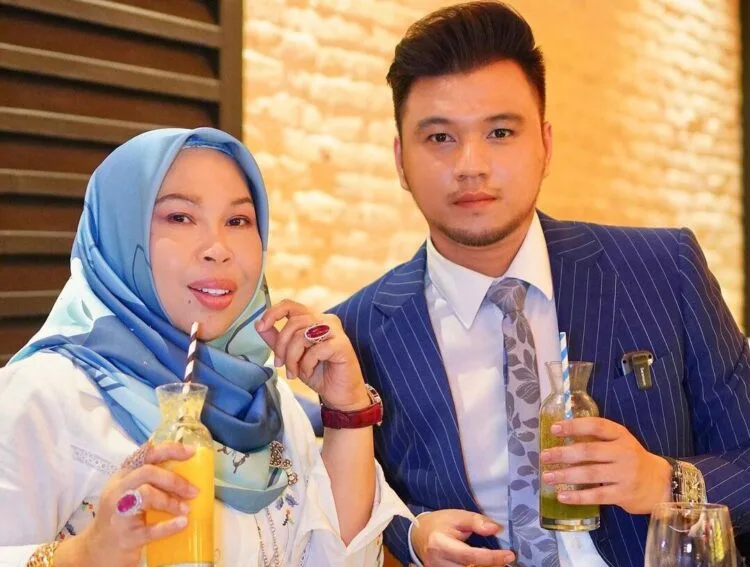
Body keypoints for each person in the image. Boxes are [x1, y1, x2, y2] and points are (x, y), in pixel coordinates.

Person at [330, 2, 750, 566]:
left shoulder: (662, 269)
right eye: (440, 138)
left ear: (545, 145)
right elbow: (342, 512)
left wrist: (664, 482)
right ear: (401, 160)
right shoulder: (358, 331)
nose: (471, 164)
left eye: (500, 132)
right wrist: (411, 535)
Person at [0, 127, 409, 566]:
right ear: (121, 230)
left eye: (238, 221)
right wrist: (84, 554)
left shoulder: (266, 404)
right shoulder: (47, 395)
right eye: (180, 217)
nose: (218, 248)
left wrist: (348, 410)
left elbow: (335, 560)